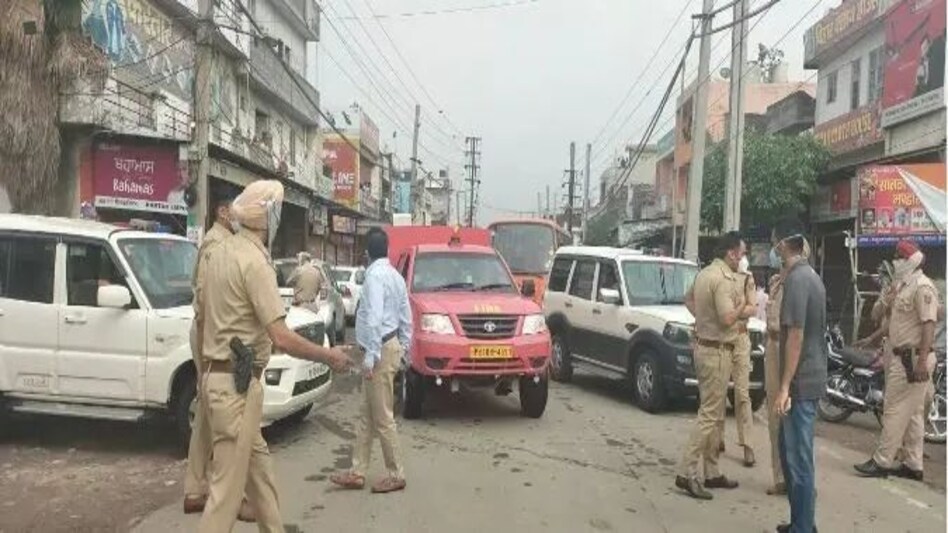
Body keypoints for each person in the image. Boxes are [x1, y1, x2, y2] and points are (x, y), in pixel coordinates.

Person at [197, 180, 351, 532]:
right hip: (236, 388)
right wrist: (329, 356)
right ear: (268, 216)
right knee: (224, 497)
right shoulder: (255, 262)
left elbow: (203, 314)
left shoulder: (218, 251)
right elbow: (280, 335)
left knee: (261, 477)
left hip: (222, 380)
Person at [184, 192, 258, 522]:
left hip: (215, 337)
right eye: (236, 209)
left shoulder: (225, 242)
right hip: (212, 336)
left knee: (207, 413)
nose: (240, 215)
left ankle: (196, 488)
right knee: (228, 424)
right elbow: (204, 304)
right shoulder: (217, 246)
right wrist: (205, 356)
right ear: (222, 211)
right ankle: (226, 495)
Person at [331, 228, 412, 494]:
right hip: (389, 347)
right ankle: (357, 471)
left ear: (366, 252)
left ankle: (396, 472)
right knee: (367, 416)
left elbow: (374, 317)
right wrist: (404, 349)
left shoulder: (375, 277)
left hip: (378, 352)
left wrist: (370, 357)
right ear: (387, 249)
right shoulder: (396, 277)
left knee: (383, 416)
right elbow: (405, 317)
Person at [676, 231, 755, 500]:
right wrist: (743, 301)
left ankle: (711, 472)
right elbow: (727, 318)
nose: (742, 259)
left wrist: (703, 320)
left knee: (713, 411)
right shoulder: (722, 280)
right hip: (717, 351)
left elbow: (688, 300)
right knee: (710, 414)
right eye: (742, 253)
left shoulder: (704, 274)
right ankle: (687, 472)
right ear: (731, 253)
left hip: (705, 346)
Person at [855, 239, 938, 482]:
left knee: (893, 410)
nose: (896, 262)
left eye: (899, 258)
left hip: (912, 359)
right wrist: (871, 338)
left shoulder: (923, 287)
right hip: (902, 356)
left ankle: (881, 461)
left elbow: (929, 325)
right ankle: (913, 465)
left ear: (910, 261)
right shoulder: (902, 286)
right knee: (911, 414)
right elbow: (891, 324)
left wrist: (922, 361)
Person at [772, 218, 827, 533]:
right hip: (805, 378)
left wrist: (783, 387)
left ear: (782, 244)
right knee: (789, 452)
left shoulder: (798, 280)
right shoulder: (807, 276)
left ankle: (804, 528)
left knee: (798, 460)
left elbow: (795, 336)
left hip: (800, 383)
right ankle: (800, 522)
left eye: (775, 244)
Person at [763, 239, 810, 498]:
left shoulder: (801, 282)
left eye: (779, 246)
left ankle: (798, 478)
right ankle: (780, 476)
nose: (776, 251)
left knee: (795, 417)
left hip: (788, 349)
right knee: (775, 416)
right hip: (772, 348)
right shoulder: (776, 281)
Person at [718, 254, 757, 467]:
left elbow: (753, 307)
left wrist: (736, 310)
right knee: (719, 390)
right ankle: (718, 439)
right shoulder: (720, 276)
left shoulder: (747, 279)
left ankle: (748, 445)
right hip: (722, 336)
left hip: (740, 337)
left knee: (742, 393)